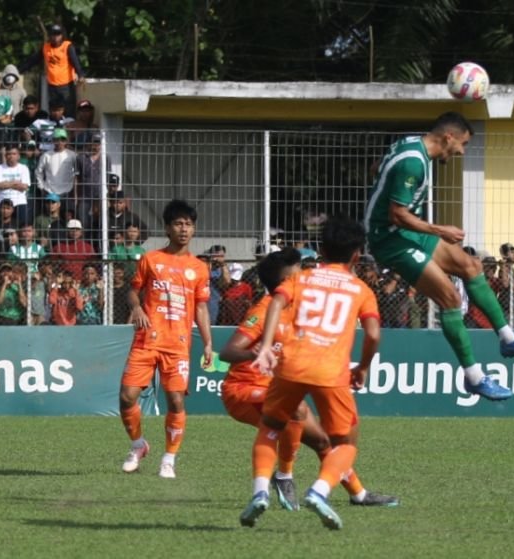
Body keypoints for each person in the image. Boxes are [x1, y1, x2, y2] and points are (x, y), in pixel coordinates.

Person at [363, 112, 514, 401]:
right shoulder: (413, 162)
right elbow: (397, 214)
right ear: (448, 137)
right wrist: (439, 229)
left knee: (471, 266)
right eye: (462, 144)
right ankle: (474, 377)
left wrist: (385, 184)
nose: (461, 151)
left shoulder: (410, 144)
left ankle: (508, 339)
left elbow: (377, 168)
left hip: (408, 231)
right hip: (390, 240)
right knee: (450, 299)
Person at [220, 247, 397, 514]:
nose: (304, 276)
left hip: (278, 387)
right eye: (296, 274)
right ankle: (284, 476)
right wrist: (255, 351)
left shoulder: (304, 307)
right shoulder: (265, 309)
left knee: (324, 441)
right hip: (244, 390)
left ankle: (359, 494)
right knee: (298, 411)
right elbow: (227, 352)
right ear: (282, 283)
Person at [118, 199, 212, 480]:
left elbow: (201, 307)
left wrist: (208, 342)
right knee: (126, 397)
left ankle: (169, 459)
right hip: (147, 339)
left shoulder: (199, 268)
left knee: (176, 402)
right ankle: (138, 445)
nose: (184, 229)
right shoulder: (151, 259)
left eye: (189, 224)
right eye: (179, 223)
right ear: (167, 228)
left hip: (178, 345)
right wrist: (136, 307)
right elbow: (132, 290)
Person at [18, 23, 87, 118]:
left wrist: (81, 75)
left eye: (58, 34)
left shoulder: (67, 46)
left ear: (62, 35)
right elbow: (33, 60)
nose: (55, 37)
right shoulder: (46, 47)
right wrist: (18, 71)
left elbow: (75, 62)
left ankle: (69, 129)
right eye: (53, 34)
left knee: (68, 109)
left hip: (66, 85)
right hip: (52, 85)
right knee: (54, 110)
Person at [0, 145, 31, 226]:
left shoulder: (24, 168)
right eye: (9, 154)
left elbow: (24, 187)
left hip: (20, 202)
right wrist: (15, 183)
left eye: (14, 154)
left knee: (21, 227)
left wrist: (7, 183)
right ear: (5, 155)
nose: (11, 156)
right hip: (3, 203)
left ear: (18, 156)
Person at [205, 244, 231, 325]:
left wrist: (222, 264)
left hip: (215, 302)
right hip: (204, 301)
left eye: (222, 256)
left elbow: (226, 282)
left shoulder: (222, 269)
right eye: (218, 255)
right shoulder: (205, 266)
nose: (220, 258)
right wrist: (210, 263)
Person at [497, 242, 514, 327]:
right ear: (504, 254)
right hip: (506, 307)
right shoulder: (503, 269)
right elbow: (505, 284)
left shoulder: (512, 269)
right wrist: (503, 267)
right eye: (511, 252)